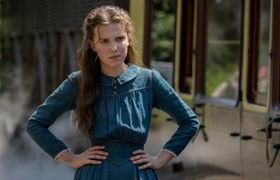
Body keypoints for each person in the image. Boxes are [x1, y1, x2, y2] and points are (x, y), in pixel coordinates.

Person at [26, 5, 199, 180]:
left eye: (119, 38)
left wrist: (162, 158)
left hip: (137, 174)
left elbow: (190, 121)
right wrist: (71, 158)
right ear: (93, 45)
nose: (114, 47)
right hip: (94, 174)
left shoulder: (149, 80)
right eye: (104, 41)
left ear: (128, 40)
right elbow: (35, 124)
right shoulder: (78, 82)